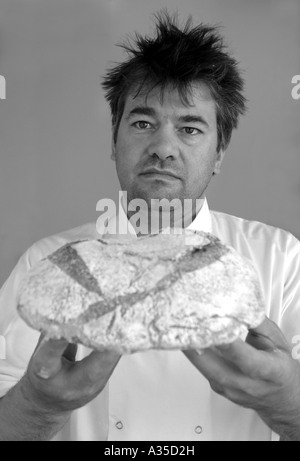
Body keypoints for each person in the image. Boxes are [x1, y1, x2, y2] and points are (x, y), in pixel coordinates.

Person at [0, 12, 300, 442]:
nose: (162, 148)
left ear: (219, 153)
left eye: (190, 128)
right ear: (113, 140)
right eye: (142, 123)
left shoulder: (281, 260)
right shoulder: (50, 266)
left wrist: (287, 397)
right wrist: (38, 405)